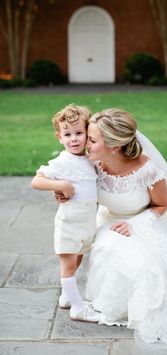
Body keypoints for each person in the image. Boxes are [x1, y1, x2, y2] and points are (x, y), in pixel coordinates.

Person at [56, 108, 167, 348]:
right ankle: (113, 302)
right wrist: (63, 193)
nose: (85, 144)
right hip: (107, 221)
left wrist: (135, 224)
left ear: (114, 146)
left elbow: (162, 205)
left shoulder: (146, 169)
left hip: (143, 221)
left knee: (151, 268)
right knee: (112, 248)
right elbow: (76, 186)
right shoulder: (90, 162)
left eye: (92, 139)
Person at [31, 104, 100, 323]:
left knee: (77, 260)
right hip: (70, 222)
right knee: (68, 266)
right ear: (59, 137)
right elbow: (37, 181)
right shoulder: (63, 161)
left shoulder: (88, 159)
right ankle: (78, 308)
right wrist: (61, 185)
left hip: (87, 222)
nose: (74, 139)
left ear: (88, 134)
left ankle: (66, 297)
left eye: (79, 133)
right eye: (67, 134)